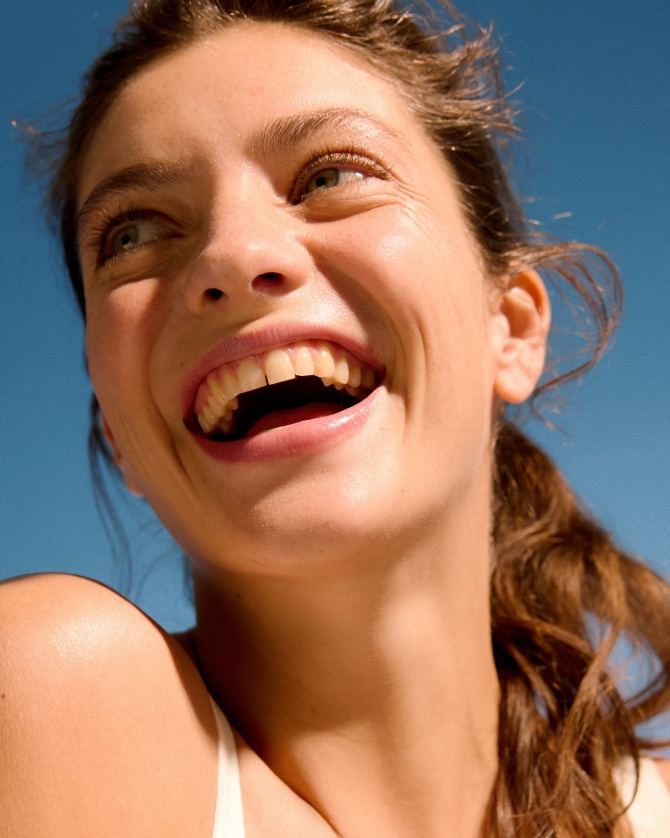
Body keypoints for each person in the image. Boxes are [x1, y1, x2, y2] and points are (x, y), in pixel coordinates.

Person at [2, 0, 670, 835]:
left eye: (330, 176)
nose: (232, 255)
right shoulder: (54, 692)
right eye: (133, 233)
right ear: (119, 437)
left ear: (512, 327)